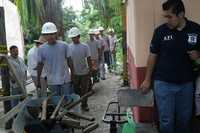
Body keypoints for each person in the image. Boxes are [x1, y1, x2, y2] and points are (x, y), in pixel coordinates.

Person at [140, 0, 200, 132]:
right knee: (166, 121)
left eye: (170, 16)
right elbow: (152, 55)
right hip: (163, 84)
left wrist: (198, 55)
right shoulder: (160, 32)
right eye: (165, 16)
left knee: (184, 120)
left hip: (186, 84)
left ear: (181, 14)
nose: (167, 20)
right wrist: (147, 79)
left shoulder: (196, 29)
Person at [37, 22, 74, 104]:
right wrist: (39, 81)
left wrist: (73, 75)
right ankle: (58, 116)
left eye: (52, 34)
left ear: (56, 34)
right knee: (56, 102)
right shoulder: (41, 49)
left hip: (65, 80)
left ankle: (66, 116)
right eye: (47, 34)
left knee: (66, 102)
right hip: (52, 81)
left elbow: (70, 62)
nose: (50, 36)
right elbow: (40, 65)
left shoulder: (64, 45)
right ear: (43, 35)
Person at [68, 27, 92, 111]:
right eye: (72, 37)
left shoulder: (85, 46)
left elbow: (89, 58)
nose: (73, 38)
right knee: (76, 90)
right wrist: (70, 72)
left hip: (84, 72)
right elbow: (68, 60)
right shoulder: (69, 47)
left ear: (79, 36)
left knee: (84, 90)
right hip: (74, 73)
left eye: (75, 37)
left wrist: (90, 70)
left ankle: (84, 105)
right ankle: (77, 105)